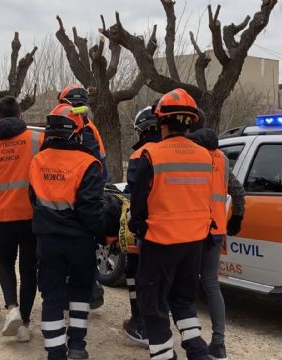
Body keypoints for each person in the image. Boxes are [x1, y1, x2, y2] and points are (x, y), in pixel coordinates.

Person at [130, 88, 213, 360]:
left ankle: (164, 355)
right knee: (183, 299)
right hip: (194, 242)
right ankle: (198, 351)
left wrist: (137, 224)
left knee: (152, 302)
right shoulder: (204, 156)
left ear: (161, 122)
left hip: (160, 241)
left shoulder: (152, 155)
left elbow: (139, 201)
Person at [29, 103, 106, 360]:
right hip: (80, 241)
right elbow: (90, 210)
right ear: (76, 132)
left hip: (48, 240)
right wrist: (103, 232)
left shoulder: (37, 161)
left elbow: (33, 198)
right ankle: (77, 346)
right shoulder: (89, 163)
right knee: (80, 293)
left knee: (52, 295)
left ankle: (55, 352)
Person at [0, 96, 43, 342]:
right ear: (19, 115)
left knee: (5, 263)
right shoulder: (37, 140)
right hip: (30, 216)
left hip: (1, 216)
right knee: (28, 270)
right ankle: (24, 323)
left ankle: (12, 308)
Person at [187, 126, 246, 360]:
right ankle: (218, 343)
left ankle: (191, 339)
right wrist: (237, 218)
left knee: (187, 283)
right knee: (212, 285)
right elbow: (238, 191)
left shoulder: (191, 157)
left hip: (192, 229)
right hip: (216, 229)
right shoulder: (221, 158)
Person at [58, 84, 106, 310]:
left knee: (65, 245)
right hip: (90, 193)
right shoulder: (92, 128)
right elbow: (102, 163)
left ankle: (72, 292)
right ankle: (92, 288)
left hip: (67, 194)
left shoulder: (62, 128)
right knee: (87, 242)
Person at [122, 106, 161, 346]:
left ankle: (141, 323)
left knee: (134, 272)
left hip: (148, 227)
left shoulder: (141, 155)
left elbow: (136, 191)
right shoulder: (177, 150)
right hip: (179, 229)